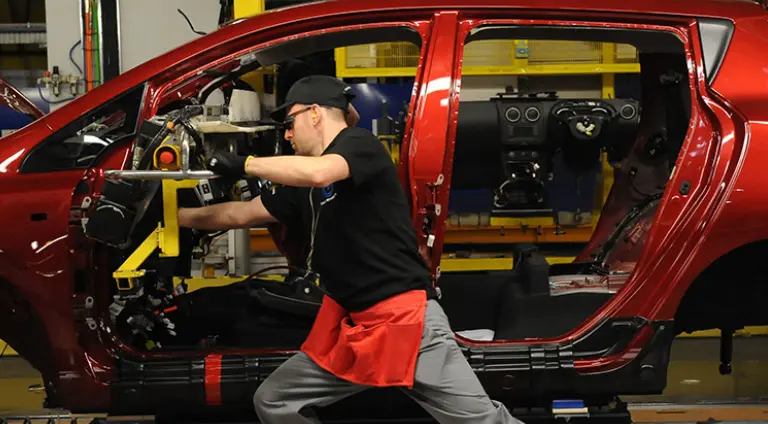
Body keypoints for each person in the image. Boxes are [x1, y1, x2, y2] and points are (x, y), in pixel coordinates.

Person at [178, 75, 521, 424]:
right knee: (275, 400)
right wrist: (175, 216)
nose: (286, 134)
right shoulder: (302, 183)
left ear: (314, 113)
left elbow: (322, 173)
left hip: (408, 326)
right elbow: (239, 213)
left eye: (290, 122)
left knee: (484, 421)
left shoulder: (358, 145)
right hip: (357, 329)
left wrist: (246, 163)